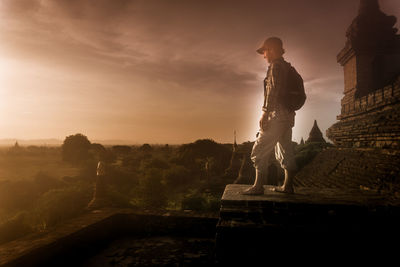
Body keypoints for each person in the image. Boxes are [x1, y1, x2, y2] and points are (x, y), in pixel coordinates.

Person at [242, 37, 299, 195]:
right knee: (285, 149)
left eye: (265, 51)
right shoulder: (287, 67)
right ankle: (287, 186)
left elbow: (272, 91)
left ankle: (258, 186)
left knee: (259, 149)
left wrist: (265, 113)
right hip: (288, 116)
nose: (264, 55)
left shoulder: (276, 66)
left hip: (276, 115)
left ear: (272, 49)